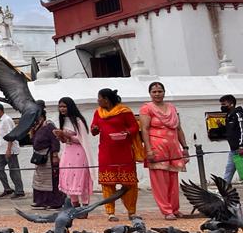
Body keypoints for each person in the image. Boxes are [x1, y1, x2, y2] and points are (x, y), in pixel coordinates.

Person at [91, 88, 141, 221]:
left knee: (129, 182)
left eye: (99, 98)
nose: (98, 101)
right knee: (107, 183)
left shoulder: (124, 111)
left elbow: (134, 127)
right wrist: (95, 129)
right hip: (106, 152)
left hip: (124, 151)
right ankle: (110, 212)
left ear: (106, 99)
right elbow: (94, 129)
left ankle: (131, 211)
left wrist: (127, 133)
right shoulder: (98, 113)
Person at [140, 82, 187, 220]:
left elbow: (178, 128)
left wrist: (185, 147)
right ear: (150, 94)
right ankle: (167, 210)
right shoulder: (146, 108)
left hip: (173, 146)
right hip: (156, 146)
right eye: (154, 92)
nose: (157, 94)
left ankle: (175, 208)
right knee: (160, 180)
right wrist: (148, 150)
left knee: (173, 178)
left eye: (160, 91)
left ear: (164, 92)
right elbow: (145, 129)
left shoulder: (171, 108)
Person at [55, 97, 93, 209]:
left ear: (70, 107)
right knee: (69, 178)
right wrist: (60, 136)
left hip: (79, 154)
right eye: (60, 106)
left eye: (64, 106)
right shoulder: (63, 121)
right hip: (68, 153)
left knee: (80, 179)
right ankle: (75, 207)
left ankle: (85, 208)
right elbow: (65, 141)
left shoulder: (78, 121)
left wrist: (67, 135)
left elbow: (81, 139)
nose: (62, 109)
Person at [30, 108, 63, 210]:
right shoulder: (37, 127)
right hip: (39, 156)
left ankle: (55, 202)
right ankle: (40, 201)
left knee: (51, 180)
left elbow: (55, 141)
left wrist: (54, 155)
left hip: (48, 156)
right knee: (39, 179)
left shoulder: (49, 126)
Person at [0, 103, 24, 198]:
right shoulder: (1, 120)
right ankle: (7, 189)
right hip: (1, 149)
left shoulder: (7, 120)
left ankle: (19, 191)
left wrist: (9, 150)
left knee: (13, 170)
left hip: (9, 150)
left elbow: (11, 135)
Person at [220, 95, 243, 183]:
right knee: (229, 170)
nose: (222, 106)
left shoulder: (238, 114)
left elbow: (242, 130)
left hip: (240, 149)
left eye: (224, 104)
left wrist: (241, 146)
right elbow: (230, 130)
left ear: (231, 104)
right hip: (233, 150)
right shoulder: (228, 116)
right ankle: (224, 190)